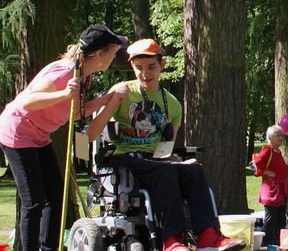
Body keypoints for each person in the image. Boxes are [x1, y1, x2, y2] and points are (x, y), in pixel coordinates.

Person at [88, 38, 244, 251]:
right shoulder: (122, 90)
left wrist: (177, 161)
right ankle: (171, 240)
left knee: (194, 170)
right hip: (125, 161)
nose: (145, 74)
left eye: (151, 67)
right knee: (166, 171)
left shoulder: (173, 104)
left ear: (162, 64)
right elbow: (92, 134)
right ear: (132, 66)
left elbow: (164, 149)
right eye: (139, 68)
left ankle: (208, 236)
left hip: (155, 162)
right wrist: (114, 101)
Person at [0, 25, 126, 251]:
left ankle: (49, 248)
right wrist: (65, 93)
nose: (115, 56)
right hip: (17, 132)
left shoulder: (84, 76)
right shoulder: (65, 73)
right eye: (114, 51)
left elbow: (75, 112)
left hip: (39, 136)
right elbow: (27, 102)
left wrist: (108, 98)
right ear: (99, 54)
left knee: (56, 197)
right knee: (34, 201)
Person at [253, 125, 288, 247]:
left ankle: (278, 244)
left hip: (281, 190)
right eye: (278, 135)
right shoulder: (267, 149)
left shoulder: (278, 151)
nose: (281, 138)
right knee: (271, 220)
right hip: (272, 191)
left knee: (281, 219)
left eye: (282, 136)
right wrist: (267, 171)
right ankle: (265, 244)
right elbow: (258, 161)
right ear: (270, 137)